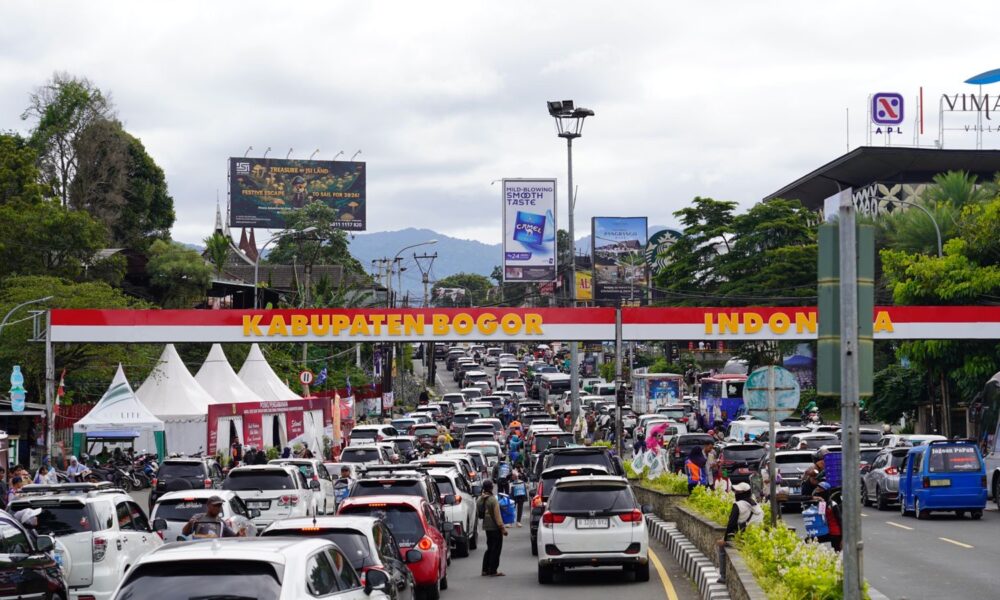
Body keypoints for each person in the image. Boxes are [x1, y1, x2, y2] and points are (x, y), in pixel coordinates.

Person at [716, 482, 763, 584]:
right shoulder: (756, 505)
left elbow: (731, 525)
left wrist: (725, 540)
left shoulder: (738, 505)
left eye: (737, 491)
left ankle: (723, 576)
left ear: (743, 493)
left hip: (742, 538)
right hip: (756, 537)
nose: (735, 493)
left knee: (721, 547)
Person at [476, 479, 507, 576]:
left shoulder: (480, 499)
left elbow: (479, 513)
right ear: (491, 488)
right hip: (495, 527)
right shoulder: (493, 500)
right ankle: (493, 570)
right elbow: (497, 516)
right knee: (496, 549)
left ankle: (485, 569)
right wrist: (503, 529)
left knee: (489, 547)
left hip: (486, 526)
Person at [812, 482, 842, 551]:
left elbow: (840, 521)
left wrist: (842, 538)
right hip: (824, 531)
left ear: (826, 492)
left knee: (836, 554)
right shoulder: (820, 503)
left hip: (835, 533)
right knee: (808, 540)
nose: (819, 492)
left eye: (821, 490)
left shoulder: (833, 505)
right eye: (818, 490)